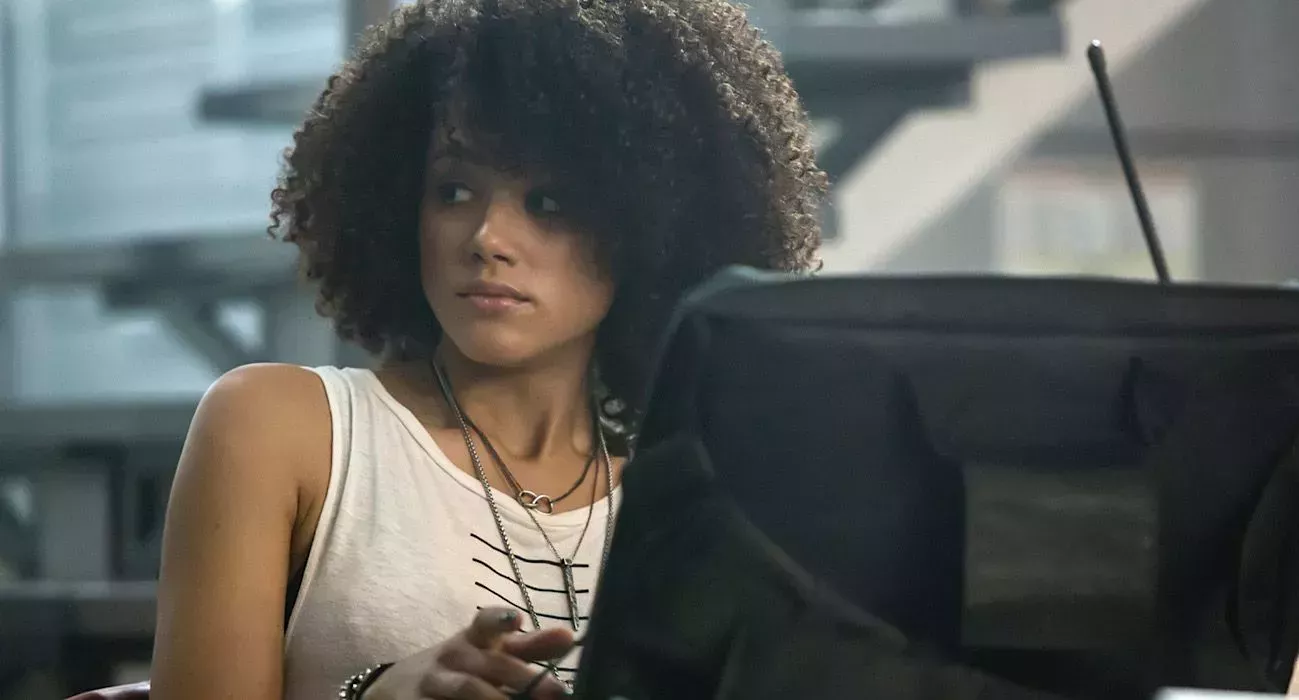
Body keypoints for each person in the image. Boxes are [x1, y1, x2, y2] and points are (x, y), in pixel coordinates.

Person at [148, 0, 826, 698]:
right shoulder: (279, 429)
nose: (486, 238)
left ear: (650, 225)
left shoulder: (695, 502)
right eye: (453, 190)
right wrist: (372, 695)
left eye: (548, 203)